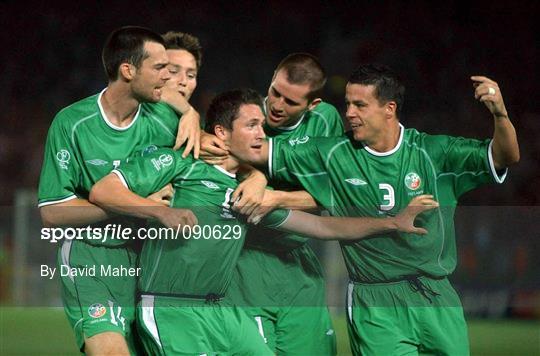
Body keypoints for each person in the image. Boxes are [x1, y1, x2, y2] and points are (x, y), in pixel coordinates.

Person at [89, 88, 438, 355]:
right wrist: (160, 212)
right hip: (171, 308)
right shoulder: (179, 163)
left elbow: (323, 227)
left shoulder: (248, 194)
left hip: (223, 312)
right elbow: (103, 191)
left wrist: (392, 222)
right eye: (252, 125)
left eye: (263, 127)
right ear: (221, 133)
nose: (261, 135)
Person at [261, 64, 519, 355]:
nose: (349, 113)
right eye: (347, 104)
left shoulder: (433, 152)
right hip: (375, 299)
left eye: (360, 105)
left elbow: (505, 156)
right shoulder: (334, 152)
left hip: (435, 294)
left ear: (389, 108)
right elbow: (260, 151)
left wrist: (500, 114)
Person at [38, 26, 201, 355]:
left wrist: (192, 113)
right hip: (92, 257)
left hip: (149, 261)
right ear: (128, 70)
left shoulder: (164, 120)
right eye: (159, 69)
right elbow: (53, 212)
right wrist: (142, 206)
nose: (169, 78)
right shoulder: (72, 123)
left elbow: (217, 156)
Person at [202, 53, 344, 355]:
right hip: (244, 260)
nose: (277, 105)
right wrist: (253, 174)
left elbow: (331, 193)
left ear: (312, 105)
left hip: (297, 261)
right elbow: (210, 152)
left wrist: (275, 197)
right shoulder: (245, 115)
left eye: (290, 102)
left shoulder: (324, 121)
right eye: (275, 92)